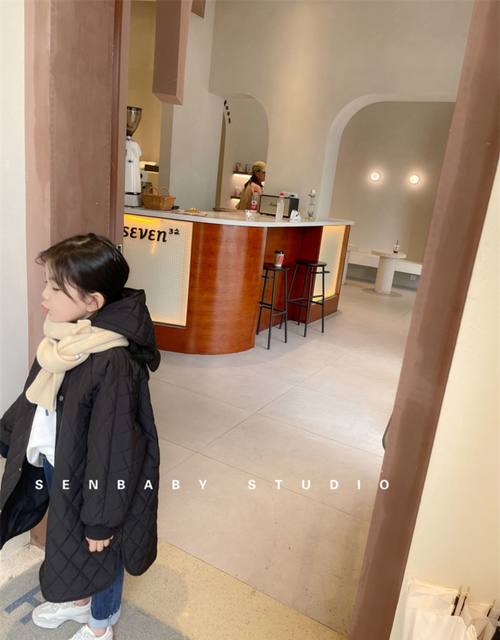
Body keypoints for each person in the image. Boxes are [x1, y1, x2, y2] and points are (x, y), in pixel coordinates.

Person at [0, 233, 161, 640]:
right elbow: (34, 398)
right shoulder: (67, 337)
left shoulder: (112, 361)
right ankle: (79, 600)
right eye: (47, 283)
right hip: (59, 460)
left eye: (56, 288)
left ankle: (100, 624)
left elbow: (113, 450)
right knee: (69, 536)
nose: (44, 295)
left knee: (100, 547)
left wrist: (102, 521)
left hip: (93, 477)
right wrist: (9, 435)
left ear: (93, 301)